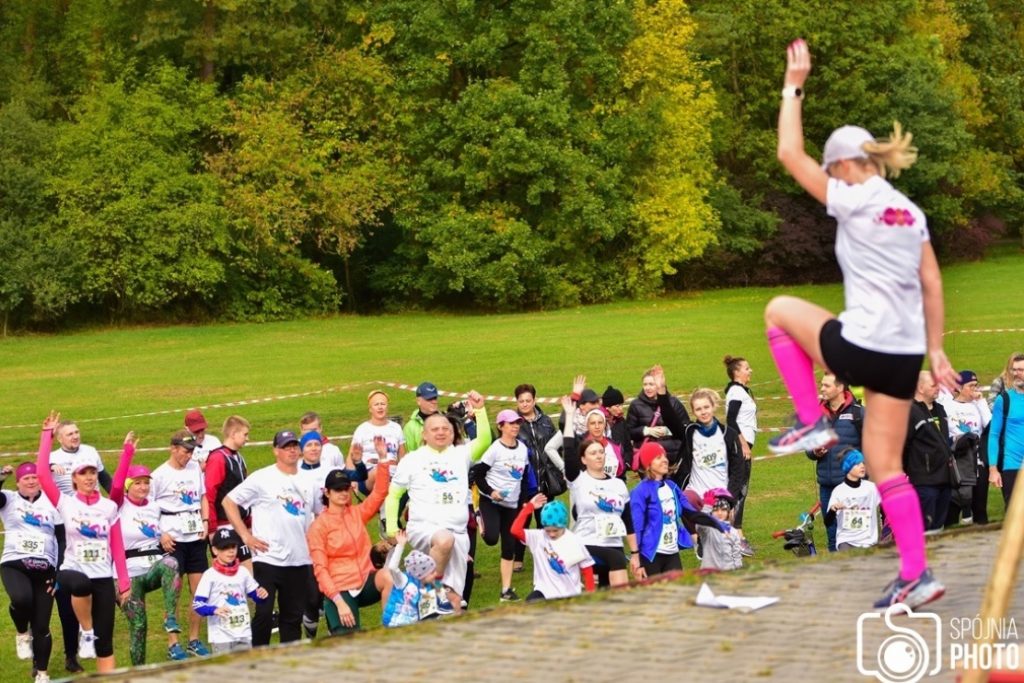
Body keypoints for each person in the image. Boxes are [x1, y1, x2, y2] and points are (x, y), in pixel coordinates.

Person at [766, 38, 957, 608]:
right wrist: (937, 352)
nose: (831, 178)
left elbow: (787, 153)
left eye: (833, 170)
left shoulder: (855, 196)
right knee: (883, 464)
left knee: (778, 311)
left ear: (848, 165)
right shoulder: (910, 210)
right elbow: (933, 282)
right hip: (903, 358)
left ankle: (814, 424)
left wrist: (793, 85)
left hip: (867, 345)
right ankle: (917, 575)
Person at [35, 412, 131, 673]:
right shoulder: (66, 504)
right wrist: (46, 435)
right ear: (74, 479)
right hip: (73, 570)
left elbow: (118, 547)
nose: (89, 478)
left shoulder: (109, 508)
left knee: (106, 644)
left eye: (92, 474)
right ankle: (85, 632)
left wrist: (123, 581)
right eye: (83, 474)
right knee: (79, 583)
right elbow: (42, 474)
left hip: (102, 577)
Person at [385, 392, 491, 615]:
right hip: (425, 528)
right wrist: (392, 528)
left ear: (453, 433)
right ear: (424, 434)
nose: (441, 432)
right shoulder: (413, 460)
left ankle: (427, 612)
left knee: (452, 605)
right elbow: (393, 495)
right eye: (435, 429)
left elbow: (484, 441)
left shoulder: (461, 454)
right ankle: (427, 590)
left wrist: (480, 411)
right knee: (444, 541)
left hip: (459, 535)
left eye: (446, 429)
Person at [223, 429, 319, 646]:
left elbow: (320, 513)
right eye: (286, 446)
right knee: (264, 613)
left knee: (292, 617)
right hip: (268, 559)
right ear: (276, 451)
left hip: (300, 559)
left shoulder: (309, 480)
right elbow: (229, 502)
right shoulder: (262, 477)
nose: (292, 450)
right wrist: (246, 536)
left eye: (294, 445)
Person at [109, 454, 185, 664]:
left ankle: (170, 618)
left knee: (171, 562)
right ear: (128, 486)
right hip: (127, 575)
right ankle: (138, 671)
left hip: (151, 569)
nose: (143, 487)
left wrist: (162, 534)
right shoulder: (118, 504)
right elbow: (115, 486)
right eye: (138, 484)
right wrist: (127, 453)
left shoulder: (153, 506)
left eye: (146, 483)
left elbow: (156, 529)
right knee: (139, 625)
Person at [49, 419, 111, 673]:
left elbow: (107, 480)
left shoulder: (91, 452)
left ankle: (93, 635)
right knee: (68, 592)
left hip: (93, 519)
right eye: (69, 433)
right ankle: (71, 653)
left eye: (76, 432)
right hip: (63, 526)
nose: (75, 436)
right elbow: (42, 476)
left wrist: (121, 501)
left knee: (92, 585)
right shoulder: (53, 457)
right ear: (59, 438)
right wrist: (51, 465)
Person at [559, 395, 639, 588]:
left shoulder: (618, 485)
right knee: (614, 565)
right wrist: (569, 416)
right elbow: (569, 450)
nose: (598, 456)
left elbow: (628, 522)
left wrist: (635, 554)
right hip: (588, 544)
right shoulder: (578, 480)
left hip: (614, 543)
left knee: (614, 595)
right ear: (583, 460)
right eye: (592, 453)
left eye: (600, 452)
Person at [306, 465, 393, 636]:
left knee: (388, 576)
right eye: (338, 489)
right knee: (351, 642)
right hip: (339, 589)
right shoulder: (318, 527)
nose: (343, 493)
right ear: (327, 492)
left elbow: (380, 492)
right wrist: (339, 602)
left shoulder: (356, 513)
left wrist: (383, 461)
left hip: (365, 581)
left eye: (346, 488)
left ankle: (390, 627)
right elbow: (320, 570)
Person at [151, 429, 211, 656]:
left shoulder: (195, 468)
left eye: (192, 451)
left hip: (195, 536)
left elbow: (203, 496)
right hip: (172, 540)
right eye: (185, 451)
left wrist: (205, 521)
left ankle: (194, 640)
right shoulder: (159, 476)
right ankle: (173, 643)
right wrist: (160, 534)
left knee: (200, 591)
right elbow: (147, 510)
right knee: (172, 593)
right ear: (173, 448)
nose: (189, 455)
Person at [629, 442, 726, 577]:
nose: (665, 460)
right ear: (648, 464)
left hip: (672, 553)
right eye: (658, 457)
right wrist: (635, 556)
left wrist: (716, 525)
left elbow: (691, 513)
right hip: (650, 556)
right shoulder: (640, 492)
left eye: (664, 456)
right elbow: (635, 526)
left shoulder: (672, 486)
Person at [0, 462, 59, 683]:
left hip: (45, 568)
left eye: (35, 477)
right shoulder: (9, 499)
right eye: (26, 478)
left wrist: (58, 571)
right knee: (21, 599)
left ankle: (42, 674)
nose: (32, 481)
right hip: (15, 563)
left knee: (42, 625)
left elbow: (61, 537)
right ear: (18, 483)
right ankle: (22, 633)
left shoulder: (52, 502)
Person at [473, 409, 535, 601]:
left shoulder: (523, 449)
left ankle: (506, 590)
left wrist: (523, 502)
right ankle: (479, 518)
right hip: (490, 501)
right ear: (501, 427)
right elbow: (478, 474)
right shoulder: (495, 449)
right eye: (511, 423)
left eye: (517, 423)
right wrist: (492, 492)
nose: (516, 426)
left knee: (509, 546)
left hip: (512, 504)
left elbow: (524, 477)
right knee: (491, 538)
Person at [807, 373, 864, 551]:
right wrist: (814, 451)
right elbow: (808, 449)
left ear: (840, 388)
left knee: (854, 537)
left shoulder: (858, 414)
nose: (822, 389)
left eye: (826, 386)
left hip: (851, 487)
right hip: (827, 487)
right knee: (832, 536)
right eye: (821, 385)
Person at [192, 528, 269, 654]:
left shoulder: (243, 572)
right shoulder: (209, 575)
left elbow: (256, 596)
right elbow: (197, 604)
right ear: (214, 550)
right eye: (225, 547)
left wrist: (262, 595)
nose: (231, 551)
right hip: (221, 637)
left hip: (243, 634)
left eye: (233, 546)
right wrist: (214, 609)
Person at [510, 494, 596, 601]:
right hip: (544, 591)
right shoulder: (538, 537)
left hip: (568, 594)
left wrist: (590, 596)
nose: (551, 534)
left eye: (555, 530)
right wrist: (529, 507)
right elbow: (515, 530)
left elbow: (587, 569)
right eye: (548, 530)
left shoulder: (573, 541)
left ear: (563, 525)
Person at [512, 383, 558, 572]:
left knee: (544, 520)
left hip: (545, 479)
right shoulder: (514, 424)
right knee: (522, 519)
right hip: (524, 482)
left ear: (534, 400)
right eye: (521, 401)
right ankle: (518, 558)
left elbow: (556, 445)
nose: (524, 404)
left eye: (528, 400)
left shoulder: (546, 421)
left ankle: (544, 553)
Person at [937, 370, 991, 525]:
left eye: (976, 385)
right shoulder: (947, 405)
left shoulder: (978, 405)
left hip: (977, 463)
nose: (975, 389)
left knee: (979, 508)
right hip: (957, 463)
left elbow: (989, 425)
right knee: (953, 507)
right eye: (971, 386)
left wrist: (981, 402)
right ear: (959, 387)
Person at [904, 372, 954, 531]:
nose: (938, 388)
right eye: (933, 385)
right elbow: (902, 445)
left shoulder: (940, 409)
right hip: (924, 481)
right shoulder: (909, 412)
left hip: (945, 478)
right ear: (920, 387)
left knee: (939, 527)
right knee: (924, 527)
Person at [205, 416, 253, 570]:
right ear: (233, 434)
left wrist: (248, 523)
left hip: (238, 523)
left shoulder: (239, 458)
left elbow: (244, 495)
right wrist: (212, 529)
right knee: (232, 576)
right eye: (245, 435)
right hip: (223, 526)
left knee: (248, 575)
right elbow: (209, 494)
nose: (247, 439)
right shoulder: (218, 458)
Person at [723, 355, 757, 546]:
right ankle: (736, 535)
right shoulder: (736, 392)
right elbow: (731, 421)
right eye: (746, 368)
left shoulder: (740, 391)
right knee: (738, 489)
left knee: (739, 489)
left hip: (740, 446)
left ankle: (734, 532)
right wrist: (743, 444)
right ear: (737, 372)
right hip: (739, 447)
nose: (750, 370)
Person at [625, 369, 689, 467]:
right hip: (648, 459)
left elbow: (686, 427)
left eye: (651, 384)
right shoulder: (635, 405)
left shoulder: (674, 403)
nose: (647, 388)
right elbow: (628, 432)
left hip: (672, 456)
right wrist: (646, 431)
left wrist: (669, 430)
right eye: (645, 384)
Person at [348, 391, 406, 495]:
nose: (380, 407)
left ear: (387, 407)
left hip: (393, 473)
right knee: (379, 472)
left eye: (383, 404)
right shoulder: (362, 429)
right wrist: (352, 479)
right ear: (370, 409)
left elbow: (402, 456)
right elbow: (351, 458)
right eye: (376, 404)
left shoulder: (396, 428)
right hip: (369, 474)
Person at [380, 529, 440, 627]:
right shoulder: (404, 581)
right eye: (432, 573)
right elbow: (392, 567)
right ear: (421, 575)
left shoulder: (429, 587)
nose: (435, 574)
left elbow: (429, 614)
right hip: (394, 624)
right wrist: (401, 545)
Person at [826, 450, 881, 550]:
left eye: (863, 463)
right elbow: (827, 522)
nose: (862, 466)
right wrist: (833, 509)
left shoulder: (871, 488)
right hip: (846, 542)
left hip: (869, 542)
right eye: (857, 464)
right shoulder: (839, 491)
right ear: (848, 467)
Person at [989, 352, 1024, 506]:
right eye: (1014, 370)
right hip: (1012, 467)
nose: (1017, 374)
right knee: (1015, 521)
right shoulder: (1003, 400)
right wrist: (993, 469)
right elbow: (994, 435)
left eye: (1021, 370)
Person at [697, 489, 743, 572]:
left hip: (728, 574)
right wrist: (706, 508)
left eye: (723, 510)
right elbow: (699, 524)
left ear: (728, 512)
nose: (720, 513)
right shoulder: (708, 529)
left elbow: (737, 555)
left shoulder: (733, 532)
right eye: (716, 510)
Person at [404, 381, 441, 450]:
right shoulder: (410, 428)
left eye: (435, 398)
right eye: (429, 399)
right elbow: (409, 456)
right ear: (418, 401)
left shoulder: (446, 421)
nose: (434, 401)